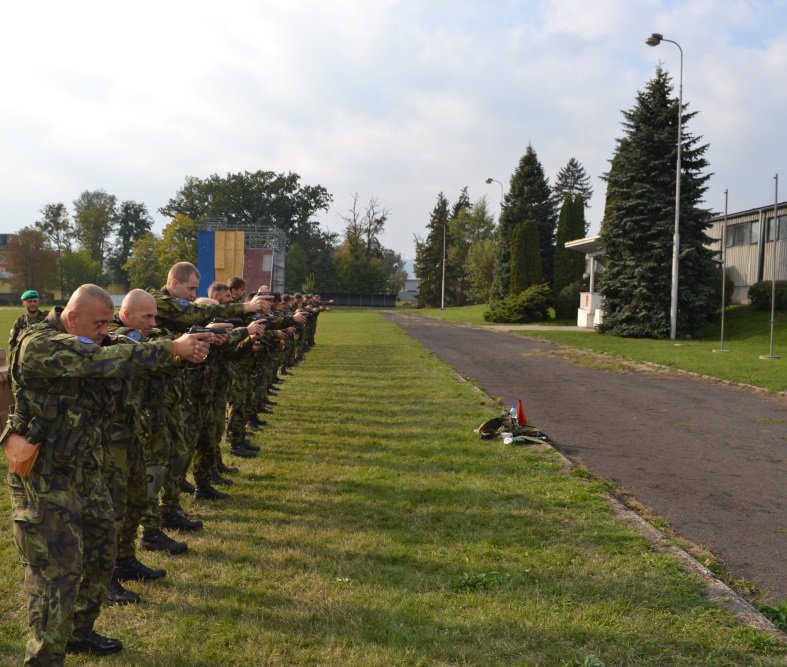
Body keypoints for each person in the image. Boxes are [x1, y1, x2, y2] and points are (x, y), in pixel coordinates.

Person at [4, 284, 210, 665]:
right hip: (45, 475)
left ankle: (79, 633)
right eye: (98, 322)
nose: (105, 328)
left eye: (106, 322)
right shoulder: (40, 345)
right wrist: (170, 348)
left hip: (84, 465)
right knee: (56, 572)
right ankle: (44, 658)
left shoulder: (90, 337)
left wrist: (174, 349)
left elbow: (116, 347)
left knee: (102, 548)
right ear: (71, 317)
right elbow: (101, 360)